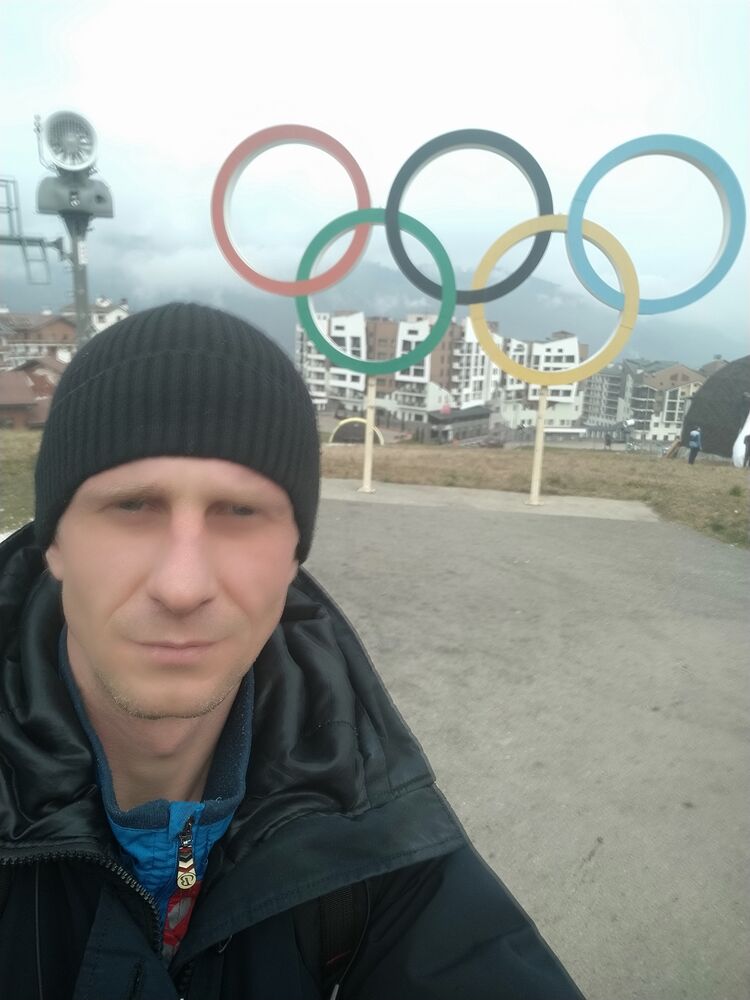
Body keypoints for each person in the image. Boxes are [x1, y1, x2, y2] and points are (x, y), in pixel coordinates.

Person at [0, 303, 584, 999]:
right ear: (54, 544)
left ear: (293, 559)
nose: (182, 586)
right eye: (132, 506)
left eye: (239, 512)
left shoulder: (367, 821)